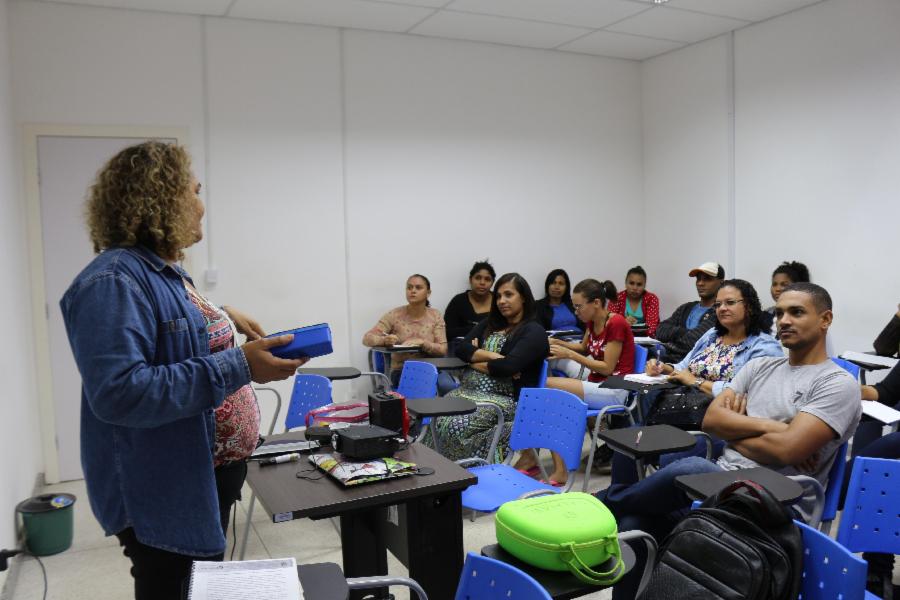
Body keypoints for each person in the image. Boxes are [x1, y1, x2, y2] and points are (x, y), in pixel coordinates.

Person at [59, 142, 308, 600]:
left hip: (205, 475)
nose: (201, 204)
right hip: (167, 488)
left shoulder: (164, 271)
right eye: (194, 190)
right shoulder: (111, 282)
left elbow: (168, 337)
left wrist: (218, 314)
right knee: (171, 587)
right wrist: (241, 363)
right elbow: (121, 393)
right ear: (160, 198)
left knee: (197, 587)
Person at [596, 283, 861, 599]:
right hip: (717, 490)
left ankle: (601, 506)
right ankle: (615, 514)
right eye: (780, 313)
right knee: (636, 522)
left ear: (825, 319)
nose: (785, 320)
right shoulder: (760, 366)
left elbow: (787, 449)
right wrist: (777, 427)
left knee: (693, 466)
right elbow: (712, 421)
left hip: (772, 506)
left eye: (797, 312)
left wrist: (739, 432)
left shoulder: (836, 384)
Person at [516, 279, 635, 485]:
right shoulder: (592, 320)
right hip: (595, 379)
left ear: (596, 303)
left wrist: (569, 355)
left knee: (546, 386)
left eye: (579, 306)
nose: (576, 311)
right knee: (549, 359)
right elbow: (583, 348)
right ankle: (533, 454)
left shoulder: (616, 323)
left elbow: (607, 367)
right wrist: (556, 344)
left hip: (614, 389)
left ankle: (551, 465)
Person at [428, 273, 548, 463]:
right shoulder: (490, 324)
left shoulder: (534, 331)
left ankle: (471, 474)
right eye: (499, 296)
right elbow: (461, 348)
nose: (502, 301)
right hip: (467, 392)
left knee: (456, 425)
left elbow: (508, 367)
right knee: (435, 419)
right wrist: (494, 357)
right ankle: (439, 474)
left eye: (509, 295)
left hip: (506, 400)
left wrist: (474, 358)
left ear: (523, 297)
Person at [644, 279, 783, 417]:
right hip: (684, 405)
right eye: (718, 304)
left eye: (730, 302)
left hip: (718, 418)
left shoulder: (765, 347)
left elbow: (750, 395)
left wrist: (696, 382)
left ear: (750, 306)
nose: (722, 308)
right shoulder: (712, 335)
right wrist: (663, 368)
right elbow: (684, 366)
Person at [362, 274, 447, 386]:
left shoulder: (435, 315)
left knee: (447, 386)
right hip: (401, 370)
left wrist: (422, 343)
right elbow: (367, 339)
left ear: (428, 293)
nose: (413, 291)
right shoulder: (394, 315)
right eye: (409, 287)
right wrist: (384, 340)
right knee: (423, 386)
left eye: (418, 287)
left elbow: (442, 349)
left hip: (432, 368)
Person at [655, 262, 725, 363]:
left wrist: (668, 344)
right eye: (698, 278)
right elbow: (660, 330)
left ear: (721, 283)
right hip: (668, 363)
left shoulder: (720, 311)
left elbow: (695, 342)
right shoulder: (686, 308)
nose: (700, 283)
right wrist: (682, 332)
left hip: (695, 367)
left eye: (707, 279)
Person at [444, 260, 496, 340]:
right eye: (478, 278)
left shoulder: (499, 301)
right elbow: (447, 332)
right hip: (461, 348)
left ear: (492, 283)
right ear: (470, 279)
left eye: (487, 279)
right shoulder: (458, 301)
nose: (482, 282)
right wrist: (478, 329)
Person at [607, 266, 661, 337]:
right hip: (621, 337)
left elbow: (652, 327)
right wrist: (623, 322)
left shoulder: (651, 299)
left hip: (645, 339)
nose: (635, 288)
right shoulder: (617, 298)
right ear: (626, 283)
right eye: (631, 283)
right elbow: (608, 322)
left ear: (644, 285)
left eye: (639, 284)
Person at [764, 261, 811, 335]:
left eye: (784, 284)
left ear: (798, 287)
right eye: (774, 284)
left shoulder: (807, 315)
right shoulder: (766, 315)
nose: (777, 289)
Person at [535, 268, 582, 333]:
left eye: (561, 283)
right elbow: (539, 331)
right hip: (554, 341)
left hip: (579, 340)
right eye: (553, 283)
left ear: (566, 287)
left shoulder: (573, 304)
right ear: (547, 285)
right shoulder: (538, 306)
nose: (557, 287)